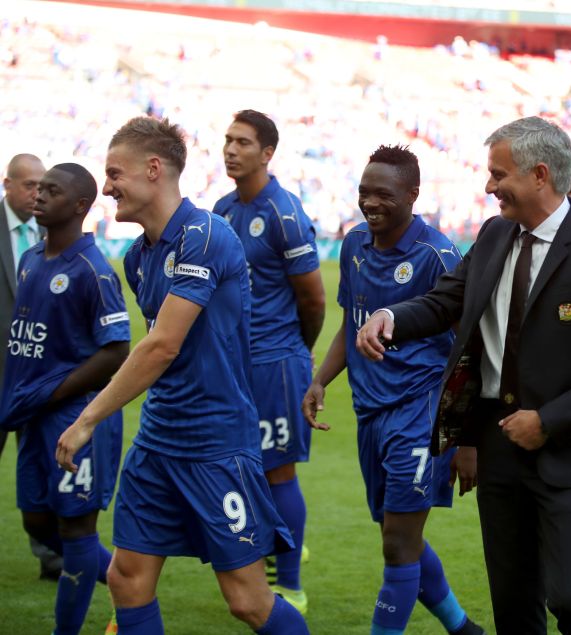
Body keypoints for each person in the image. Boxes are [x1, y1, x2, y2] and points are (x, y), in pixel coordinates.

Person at [356, 117, 571, 634]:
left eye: (499, 174)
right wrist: (393, 317)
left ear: (540, 175)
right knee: (514, 605)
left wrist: (549, 420)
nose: (489, 186)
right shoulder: (496, 235)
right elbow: (447, 299)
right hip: (500, 450)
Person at [54, 116, 308, 634]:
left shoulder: (206, 235)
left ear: (153, 169)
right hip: (158, 443)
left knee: (247, 600)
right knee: (127, 579)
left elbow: (161, 346)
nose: (106, 187)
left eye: (114, 173)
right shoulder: (138, 258)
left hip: (216, 444)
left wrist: (89, 418)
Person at [302, 145, 483, 635]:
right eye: (364, 192)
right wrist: (321, 380)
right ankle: (463, 628)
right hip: (371, 411)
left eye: (383, 193)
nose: (370, 203)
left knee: (399, 543)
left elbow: (471, 347)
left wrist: (467, 438)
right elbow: (352, 322)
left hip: (421, 413)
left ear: (412, 195)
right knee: (397, 534)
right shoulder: (355, 244)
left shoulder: (436, 255)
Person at [0, 163, 130, 635]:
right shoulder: (32, 258)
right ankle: (127, 581)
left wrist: (54, 391)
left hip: (74, 418)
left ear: (79, 206)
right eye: (37, 188)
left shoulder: (93, 272)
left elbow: (118, 349)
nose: (38, 196)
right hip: (31, 415)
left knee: (76, 532)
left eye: (51, 190)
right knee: (37, 521)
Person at [213, 110, 325, 613]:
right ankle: (257, 569)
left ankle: (291, 585)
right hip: (232, 364)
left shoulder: (283, 212)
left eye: (243, 142)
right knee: (239, 470)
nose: (231, 149)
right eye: (228, 140)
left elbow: (314, 300)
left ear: (267, 153)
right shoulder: (221, 208)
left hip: (275, 363)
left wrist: (293, 352)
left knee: (277, 473)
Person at [0, 153, 64, 580]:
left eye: (43, 185)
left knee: (42, 467)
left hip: (38, 377)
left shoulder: (53, 233)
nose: (38, 193)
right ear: (7, 184)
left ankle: (51, 557)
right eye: (29, 185)